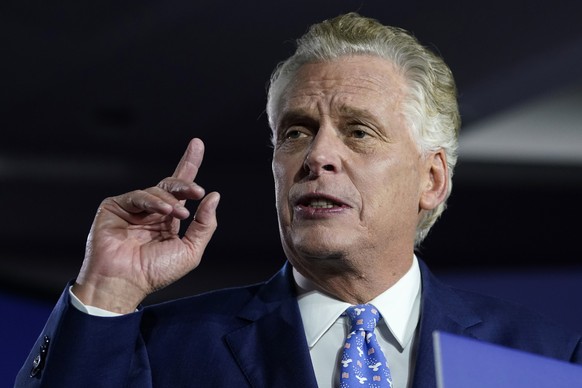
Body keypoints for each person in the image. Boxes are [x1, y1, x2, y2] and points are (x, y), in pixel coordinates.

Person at [16, 13, 582, 388]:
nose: (317, 156)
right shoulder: (162, 351)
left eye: (359, 131)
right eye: (295, 132)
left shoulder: (545, 362)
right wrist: (108, 291)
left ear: (431, 179)